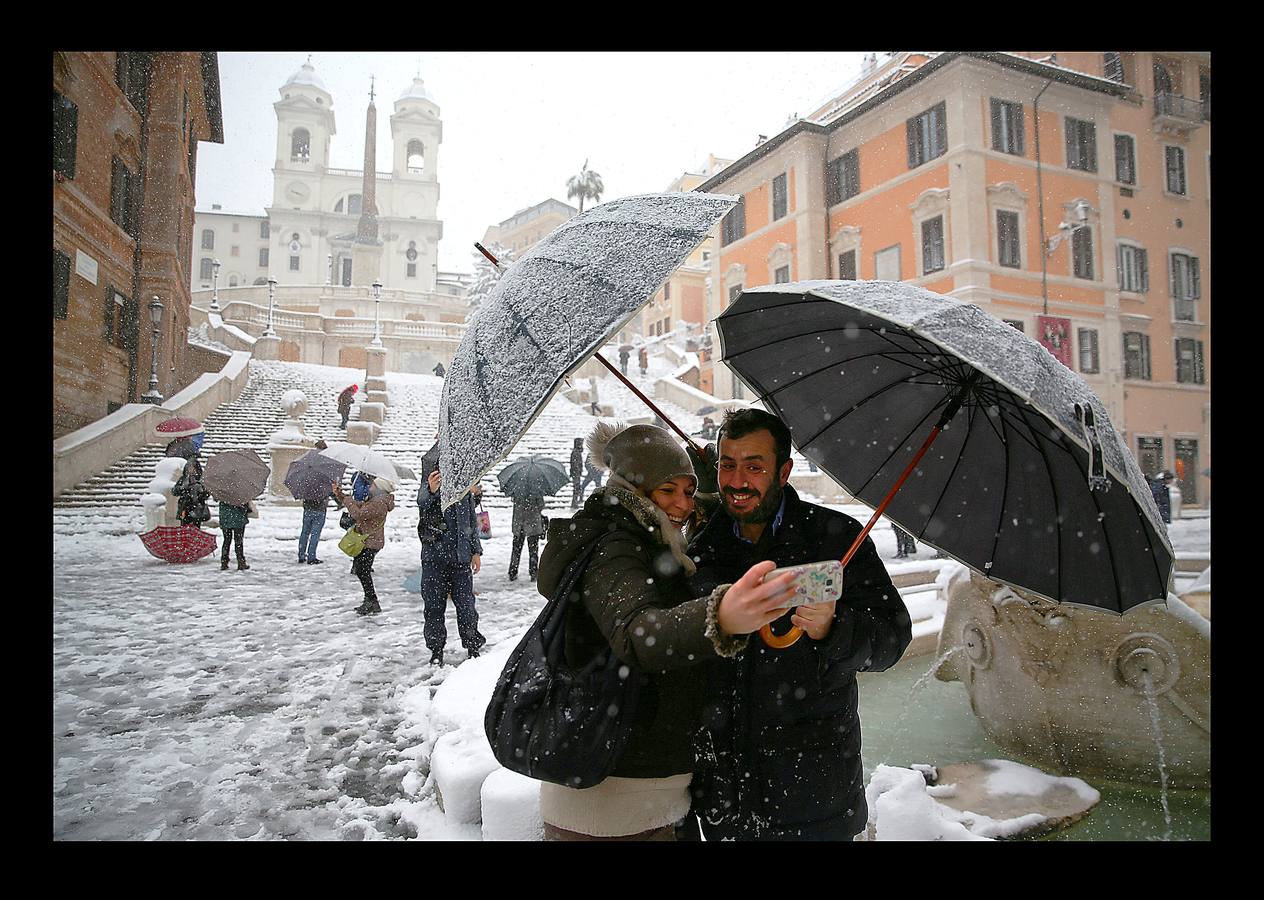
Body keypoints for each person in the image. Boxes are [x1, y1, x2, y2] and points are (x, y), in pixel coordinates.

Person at [535, 421, 797, 841]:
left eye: (688, 490)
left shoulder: (647, 535)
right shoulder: (615, 546)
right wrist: (720, 617)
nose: (683, 504)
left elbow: (706, 507)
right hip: (613, 795)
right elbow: (639, 633)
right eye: (667, 490)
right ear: (633, 491)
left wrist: (720, 480)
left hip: (638, 782)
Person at [685, 407, 912, 841]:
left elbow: (893, 640)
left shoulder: (836, 538)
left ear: (784, 471)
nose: (736, 482)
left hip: (816, 797)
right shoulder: (701, 549)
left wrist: (835, 627)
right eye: (727, 465)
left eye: (754, 467)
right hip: (725, 802)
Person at [418, 467, 485, 665]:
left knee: (466, 606)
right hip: (434, 559)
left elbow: (472, 523)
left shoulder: (464, 490)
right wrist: (431, 490)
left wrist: (475, 551)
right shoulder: (430, 486)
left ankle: (472, 644)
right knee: (433, 607)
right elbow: (422, 504)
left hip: (461, 558)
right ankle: (436, 649)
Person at [333, 476, 395, 616]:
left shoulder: (379, 503)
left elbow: (358, 514)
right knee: (362, 571)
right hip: (368, 541)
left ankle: (372, 601)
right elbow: (359, 505)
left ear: (379, 488)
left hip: (370, 542)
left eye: (373, 485)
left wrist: (348, 501)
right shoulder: (375, 500)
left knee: (362, 571)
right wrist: (341, 495)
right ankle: (370, 600)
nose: (370, 486)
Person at [508, 488, 546, 581]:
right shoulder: (536, 488)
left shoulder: (517, 488)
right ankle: (533, 572)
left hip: (519, 523)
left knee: (516, 549)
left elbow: (514, 501)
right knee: (533, 550)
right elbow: (541, 505)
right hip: (532, 523)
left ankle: (513, 571)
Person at [218, 499, 254, 570]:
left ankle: (224, 562)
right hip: (238, 520)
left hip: (225, 519)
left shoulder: (222, 494)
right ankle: (241, 562)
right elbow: (246, 508)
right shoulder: (240, 495)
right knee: (238, 541)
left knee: (226, 541)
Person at [570, 437, 585, 508]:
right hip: (576, 473)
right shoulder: (576, 452)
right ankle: (574, 503)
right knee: (577, 488)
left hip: (576, 473)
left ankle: (574, 502)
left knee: (577, 488)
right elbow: (575, 464)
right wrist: (578, 471)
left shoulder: (577, 452)